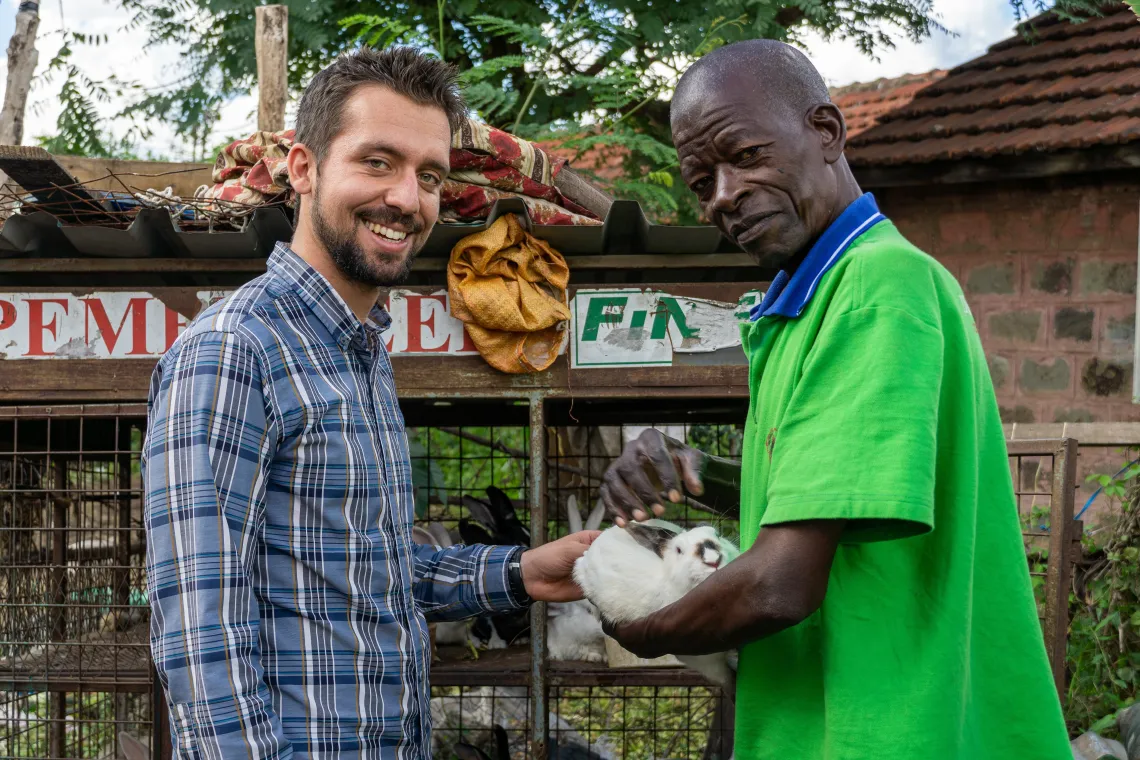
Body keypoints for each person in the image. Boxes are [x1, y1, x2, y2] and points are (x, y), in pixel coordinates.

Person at [599, 40, 1072, 759]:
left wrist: (638, 628)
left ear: (826, 132)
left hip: (882, 727)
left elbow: (778, 587)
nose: (723, 194)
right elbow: (823, 496)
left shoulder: (877, 287)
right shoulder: (803, 308)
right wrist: (693, 464)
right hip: (824, 720)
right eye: (702, 181)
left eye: (746, 155)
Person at [142, 47, 598, 759]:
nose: (407, 199)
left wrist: (519, 572)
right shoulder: (236, 350)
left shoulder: (358, 356)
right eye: (377, 162)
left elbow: (371, 573)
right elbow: (203, 636)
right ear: (303, 168)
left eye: (430, 176)